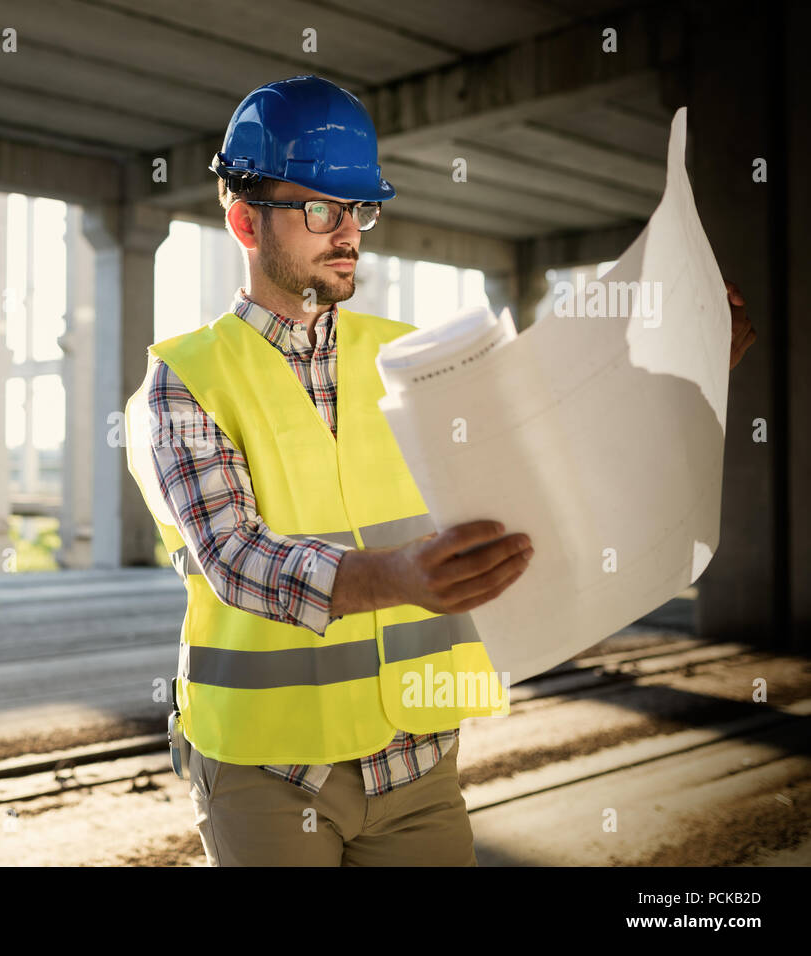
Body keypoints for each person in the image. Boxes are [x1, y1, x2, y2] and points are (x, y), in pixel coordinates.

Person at [121, 75, 756, 867]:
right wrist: (397, 577)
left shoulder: (414, 360)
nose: (348, 232)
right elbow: (234, 558)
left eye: (361, 210)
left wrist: (684, 378)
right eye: (321, 209)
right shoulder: (185, 380)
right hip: (268, 773)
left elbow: (554, 467)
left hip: (417, 766)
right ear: (246, 219)